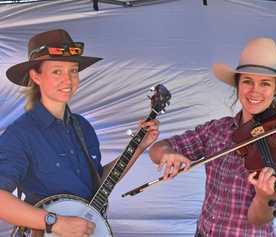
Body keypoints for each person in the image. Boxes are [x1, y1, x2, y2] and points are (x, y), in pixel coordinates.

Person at [0, 29, 160, 236]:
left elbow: (97, 182)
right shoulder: (21, 134)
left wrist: (138, 148)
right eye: (57, 71)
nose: (68, 80)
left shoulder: (83, 126)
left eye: (73, 71)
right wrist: (55, 222)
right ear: (36, 76)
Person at [149, 37, 276, 236]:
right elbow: (157, 149)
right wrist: (166, 154)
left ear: (275, 91)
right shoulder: (217, 129)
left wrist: (262, 197)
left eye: (265, 84)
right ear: (237, 85)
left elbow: (259, 220)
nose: (255, 91)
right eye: (247, 81)